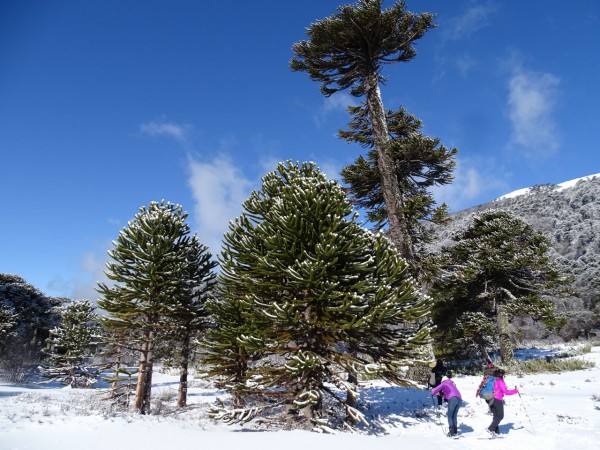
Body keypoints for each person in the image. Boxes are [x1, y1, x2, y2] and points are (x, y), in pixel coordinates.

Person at [486, 368, 519, 436]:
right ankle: (490, 429)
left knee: (496, 416)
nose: (505, 376)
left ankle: (496, 431)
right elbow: (506, 392)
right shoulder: (500, 381)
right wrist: (515, 391)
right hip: (497, 399)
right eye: (504, 375)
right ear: (501, 375)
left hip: (489, 399)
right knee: (500, 416)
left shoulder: (493, 380)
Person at [431, 370, 462, 437]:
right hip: (459, 398)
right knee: (454, 415)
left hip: (453, 399)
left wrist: (432, 393)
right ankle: (455, 431)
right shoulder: (452, 384)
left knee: (450, 415)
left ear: (443, 380)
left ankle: (452, 432)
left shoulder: (444, 383)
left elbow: (436, 389)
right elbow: (448, 395)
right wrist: (442, 395)